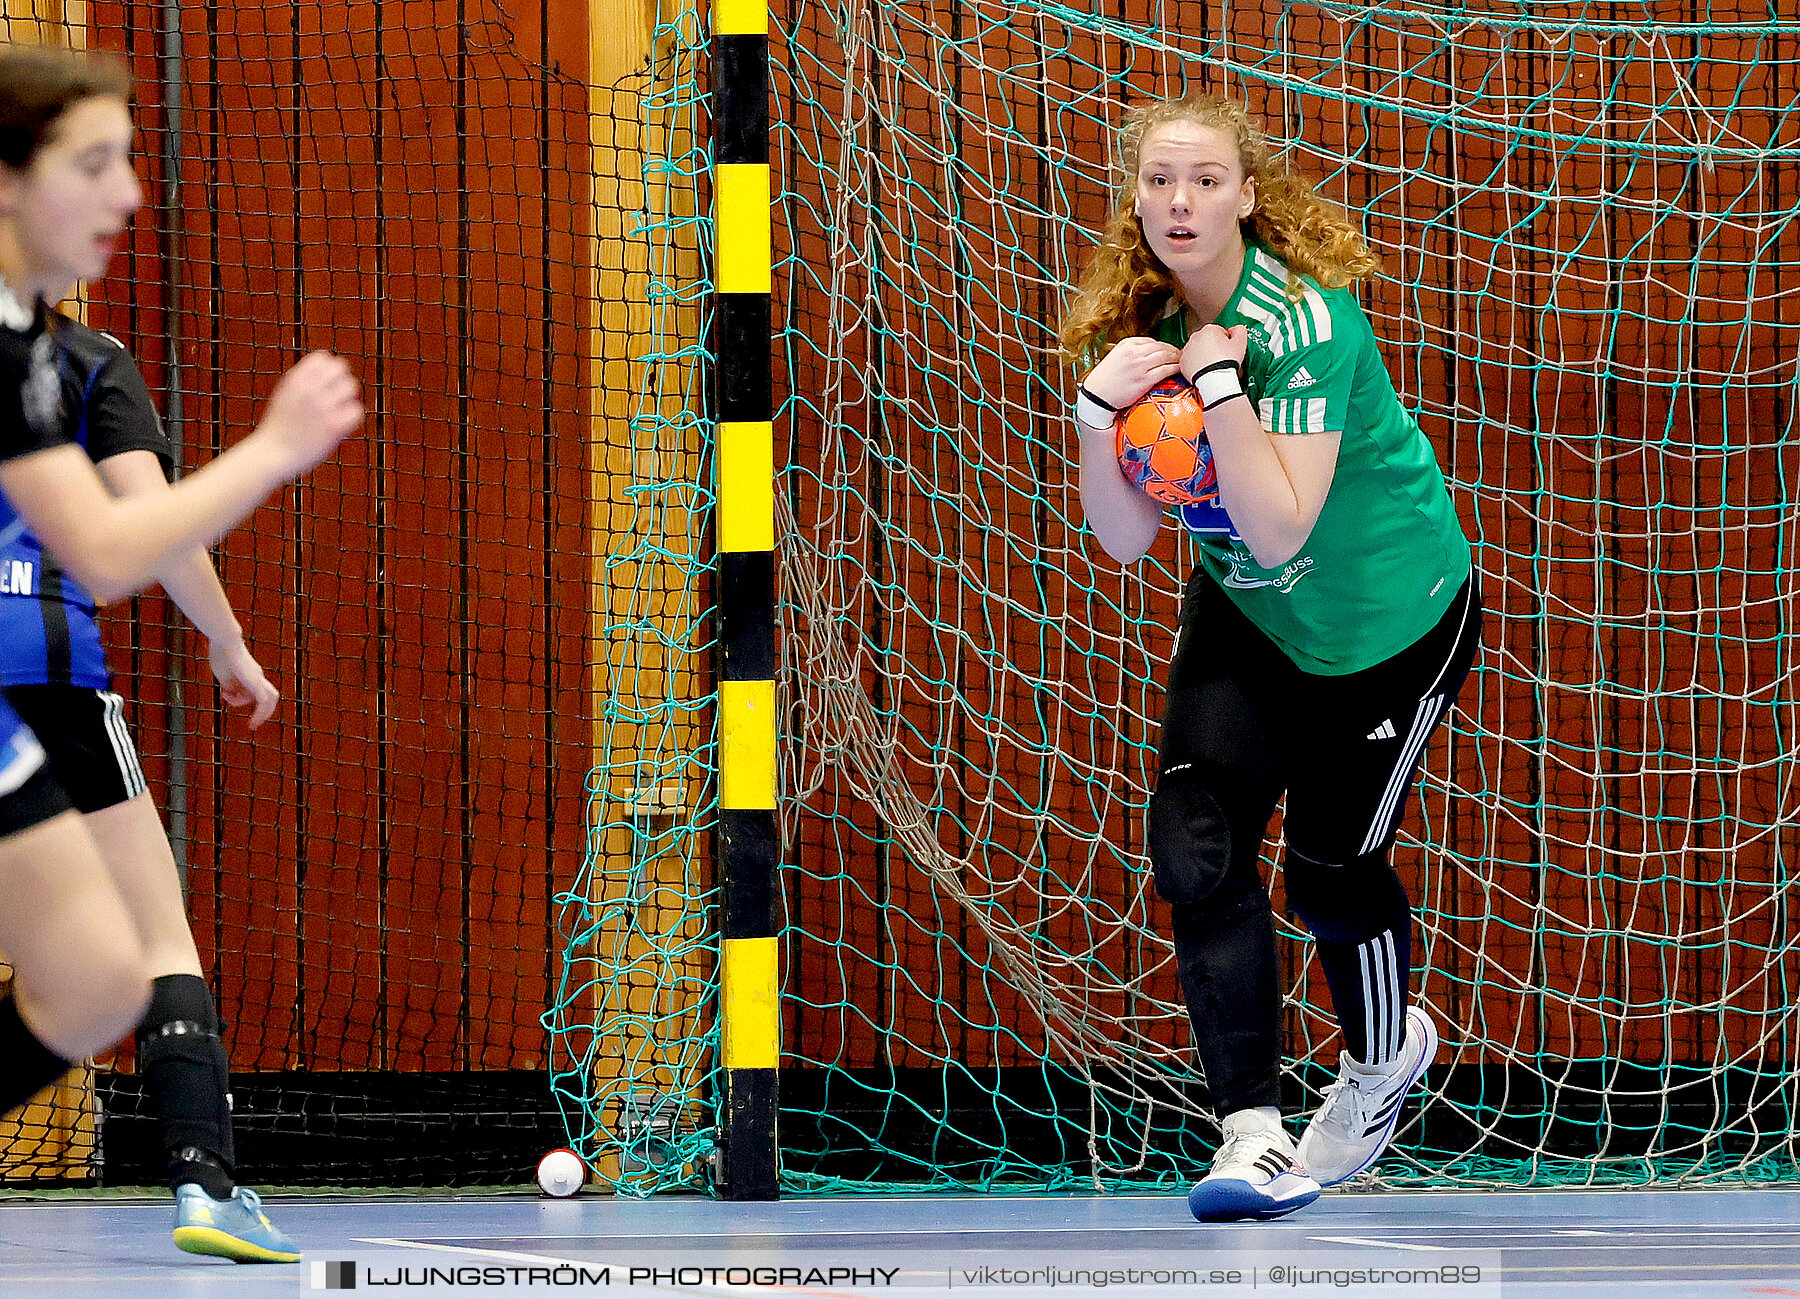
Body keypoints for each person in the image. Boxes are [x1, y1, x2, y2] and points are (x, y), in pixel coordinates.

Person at [1062, 93, 1482, 1222]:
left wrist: (1216, 384)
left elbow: (1282, 523)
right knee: (1193, 845)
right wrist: (1099, 420)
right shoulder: (1134, 329)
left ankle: (1384, 1058)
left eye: (1204, 179)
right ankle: (1249, 1129)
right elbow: (1124, 534)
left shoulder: (1306, 323)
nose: (1179, 201)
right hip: (1251, 618)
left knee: (1332, 878)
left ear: (1249, 195)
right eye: (1158, 181)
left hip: (1385, 626)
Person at [0, 40, 359, 1256]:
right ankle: (205, 1185)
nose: (128, 196)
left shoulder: (32, 354)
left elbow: (105, 543)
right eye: (95, 164)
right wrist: (271, 454)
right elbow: (122, 552)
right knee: (149, 946)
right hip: (49, 672)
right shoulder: (67, 358)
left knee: (100, 981)